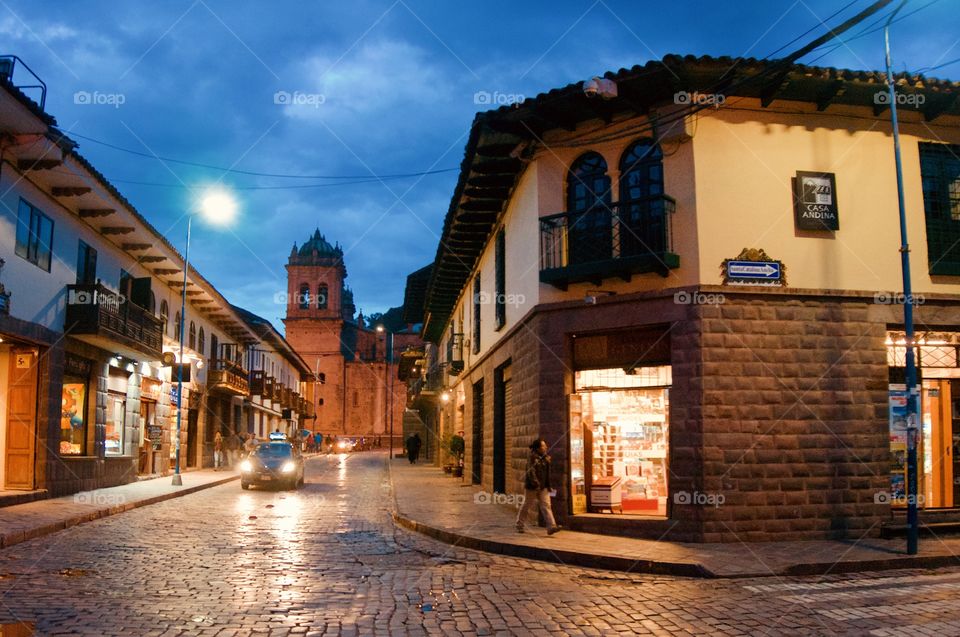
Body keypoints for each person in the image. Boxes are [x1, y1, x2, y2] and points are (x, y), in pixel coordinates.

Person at [515, 438, 561, 535]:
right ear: (538, 448)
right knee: (527, 505)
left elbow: (547, 474)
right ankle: (520, 524)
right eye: (543, 446)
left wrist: (548, 486)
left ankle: (551, 527)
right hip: (532, 486)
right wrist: (536, 484)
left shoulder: (546, 458)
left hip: (544, 487)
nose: (546, 447)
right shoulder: (532, 458)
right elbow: (531, 472)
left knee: (546, 506)